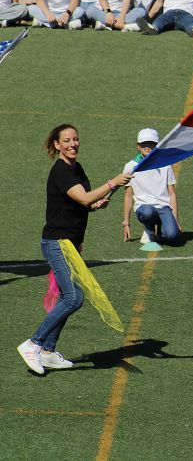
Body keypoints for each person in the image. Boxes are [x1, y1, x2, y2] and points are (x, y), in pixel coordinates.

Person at [17, 125, 132, 375]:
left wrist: (95, 204)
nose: (73, 144)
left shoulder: (75, 168)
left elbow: (83, 201)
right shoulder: (61, 171)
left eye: (76, 139)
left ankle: (47, 351)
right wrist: (113, 182)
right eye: (67, 141)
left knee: (65, 297)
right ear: (57, 145)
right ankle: (33, 343)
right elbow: (83, 198)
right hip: (57, 243)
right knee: (74, 297)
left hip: (69, 244)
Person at [122, 128, 180, 245]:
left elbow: (171, 194)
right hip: (144, 208)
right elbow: (128, 197)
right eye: (144, 144)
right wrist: (127, 224)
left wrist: (175, 220)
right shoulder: (130, 167)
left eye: (151, 143)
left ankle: (160, 228)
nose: (147, 146)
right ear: (138, 146)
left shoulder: (166, 165)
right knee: (148, 212)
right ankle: (149, 229)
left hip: (163, 206)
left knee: (172, 235)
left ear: (157, 145)